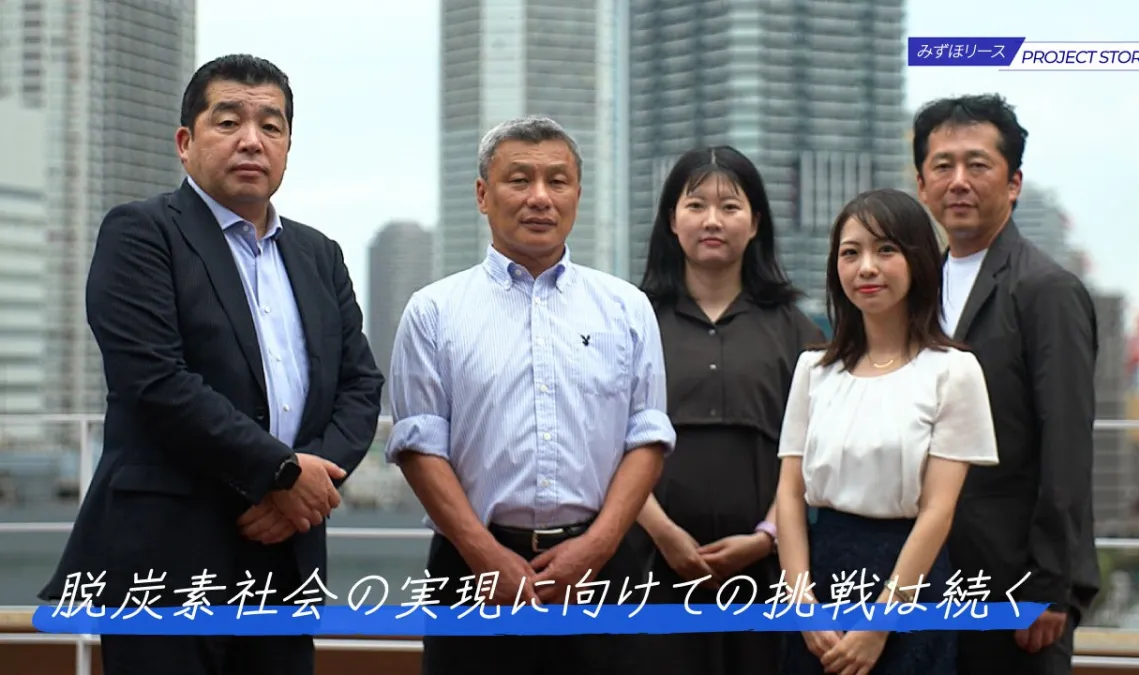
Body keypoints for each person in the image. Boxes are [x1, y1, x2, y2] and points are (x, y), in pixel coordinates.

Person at [37, 54, 385, 675]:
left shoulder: (319, 254)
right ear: (185, 142)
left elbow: (361, 385)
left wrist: (306, 489)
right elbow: (155, 382)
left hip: (284, 557)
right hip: (165, 556)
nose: (252, 140)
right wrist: (282, 472)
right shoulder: (141, 233)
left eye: (271, 126)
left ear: (287, 146)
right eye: (228, 122)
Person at [387, 114, 677, 675]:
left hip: (602, 572)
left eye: (557, 181)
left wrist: (597, 547)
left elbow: (647, 437)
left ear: (577, 195)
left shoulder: (626, 308)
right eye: (519, 180)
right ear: (482, 194)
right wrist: (483, 553)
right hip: (471, 572)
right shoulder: (434, 311)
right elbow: (419, 446)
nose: (540, 197)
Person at [774, 188, 1000, 675]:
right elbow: (789, 496)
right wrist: (801, 602)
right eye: (850, 253)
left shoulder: (953, 371)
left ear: (918, 260)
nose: (866, 268)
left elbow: (938, 511)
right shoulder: (813, 370)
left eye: (886, 250)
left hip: (907, 586)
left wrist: (880, 624)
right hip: (818, 582)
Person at [913, 93, 1100, 675]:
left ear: (1013, 183)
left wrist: (1049, 587)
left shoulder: (1046, 290)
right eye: (942, 166)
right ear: (922, 185)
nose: (958, 181)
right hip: (924, 575)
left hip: (1012, 582)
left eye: (978, 164)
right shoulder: (915, 290)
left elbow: (1067, 443)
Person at [632, 145, 824, 675]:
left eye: (730, 206)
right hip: (650, 568)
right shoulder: (632, 322)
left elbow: (814, 453)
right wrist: (665, 534)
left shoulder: (798, 331)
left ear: (755, 222)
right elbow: (605, 444)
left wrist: (765, 537)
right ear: (672, 220)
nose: (712, 220)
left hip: (766, 574)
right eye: (696, 205)